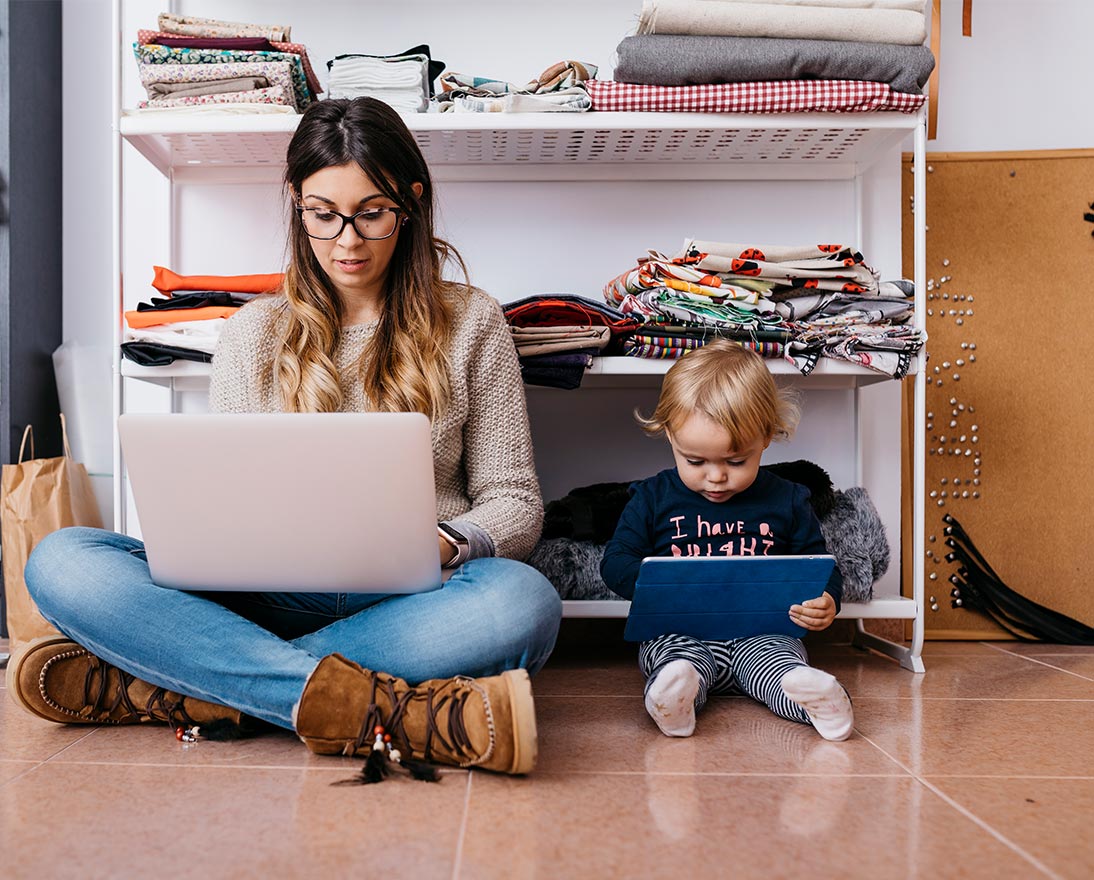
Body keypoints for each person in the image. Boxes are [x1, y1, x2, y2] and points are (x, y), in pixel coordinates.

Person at [11, 97, 562, 776]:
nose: (347, 241)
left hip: (413, 599)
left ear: (411, 203)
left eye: (372, 213)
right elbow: (232, 500)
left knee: (524, 602)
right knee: (62, 559)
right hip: (264, 599)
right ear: (296, 203)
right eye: (322, 215)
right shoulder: (254, 333)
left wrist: (449, 541)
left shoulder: (472, 320)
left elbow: (515, 503)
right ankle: (372, 706)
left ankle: (197, 688)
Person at [600, 340, 854, 741]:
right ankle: (675, 699)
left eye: (736, 461)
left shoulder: (787, 498)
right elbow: (615, 561)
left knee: (777, 665)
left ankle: (815, 698)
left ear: (766, 438)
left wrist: (826, 601)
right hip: (680, 628)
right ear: (670, 436)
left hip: (762, 631)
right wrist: (657, 586)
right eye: (695, 461)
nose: (716, 477)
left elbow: (816, 564)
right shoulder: (652, 497)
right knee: (675, 661)